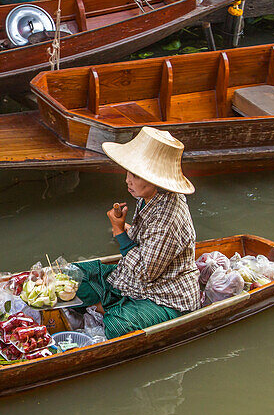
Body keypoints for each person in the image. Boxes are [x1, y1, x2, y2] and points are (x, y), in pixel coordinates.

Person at [71, 127, 201, 339]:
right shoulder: (149, 198)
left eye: (135, 175)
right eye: (129, 173)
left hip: (167, 295)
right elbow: (145, 241)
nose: (127, 180)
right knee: (73, 275)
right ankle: (106, 305)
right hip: (134, 280)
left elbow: (145, 272)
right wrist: (125, 227)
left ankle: (106, 308)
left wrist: (118, 230)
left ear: (155, 179)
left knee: (117, 327)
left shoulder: (168, 218)